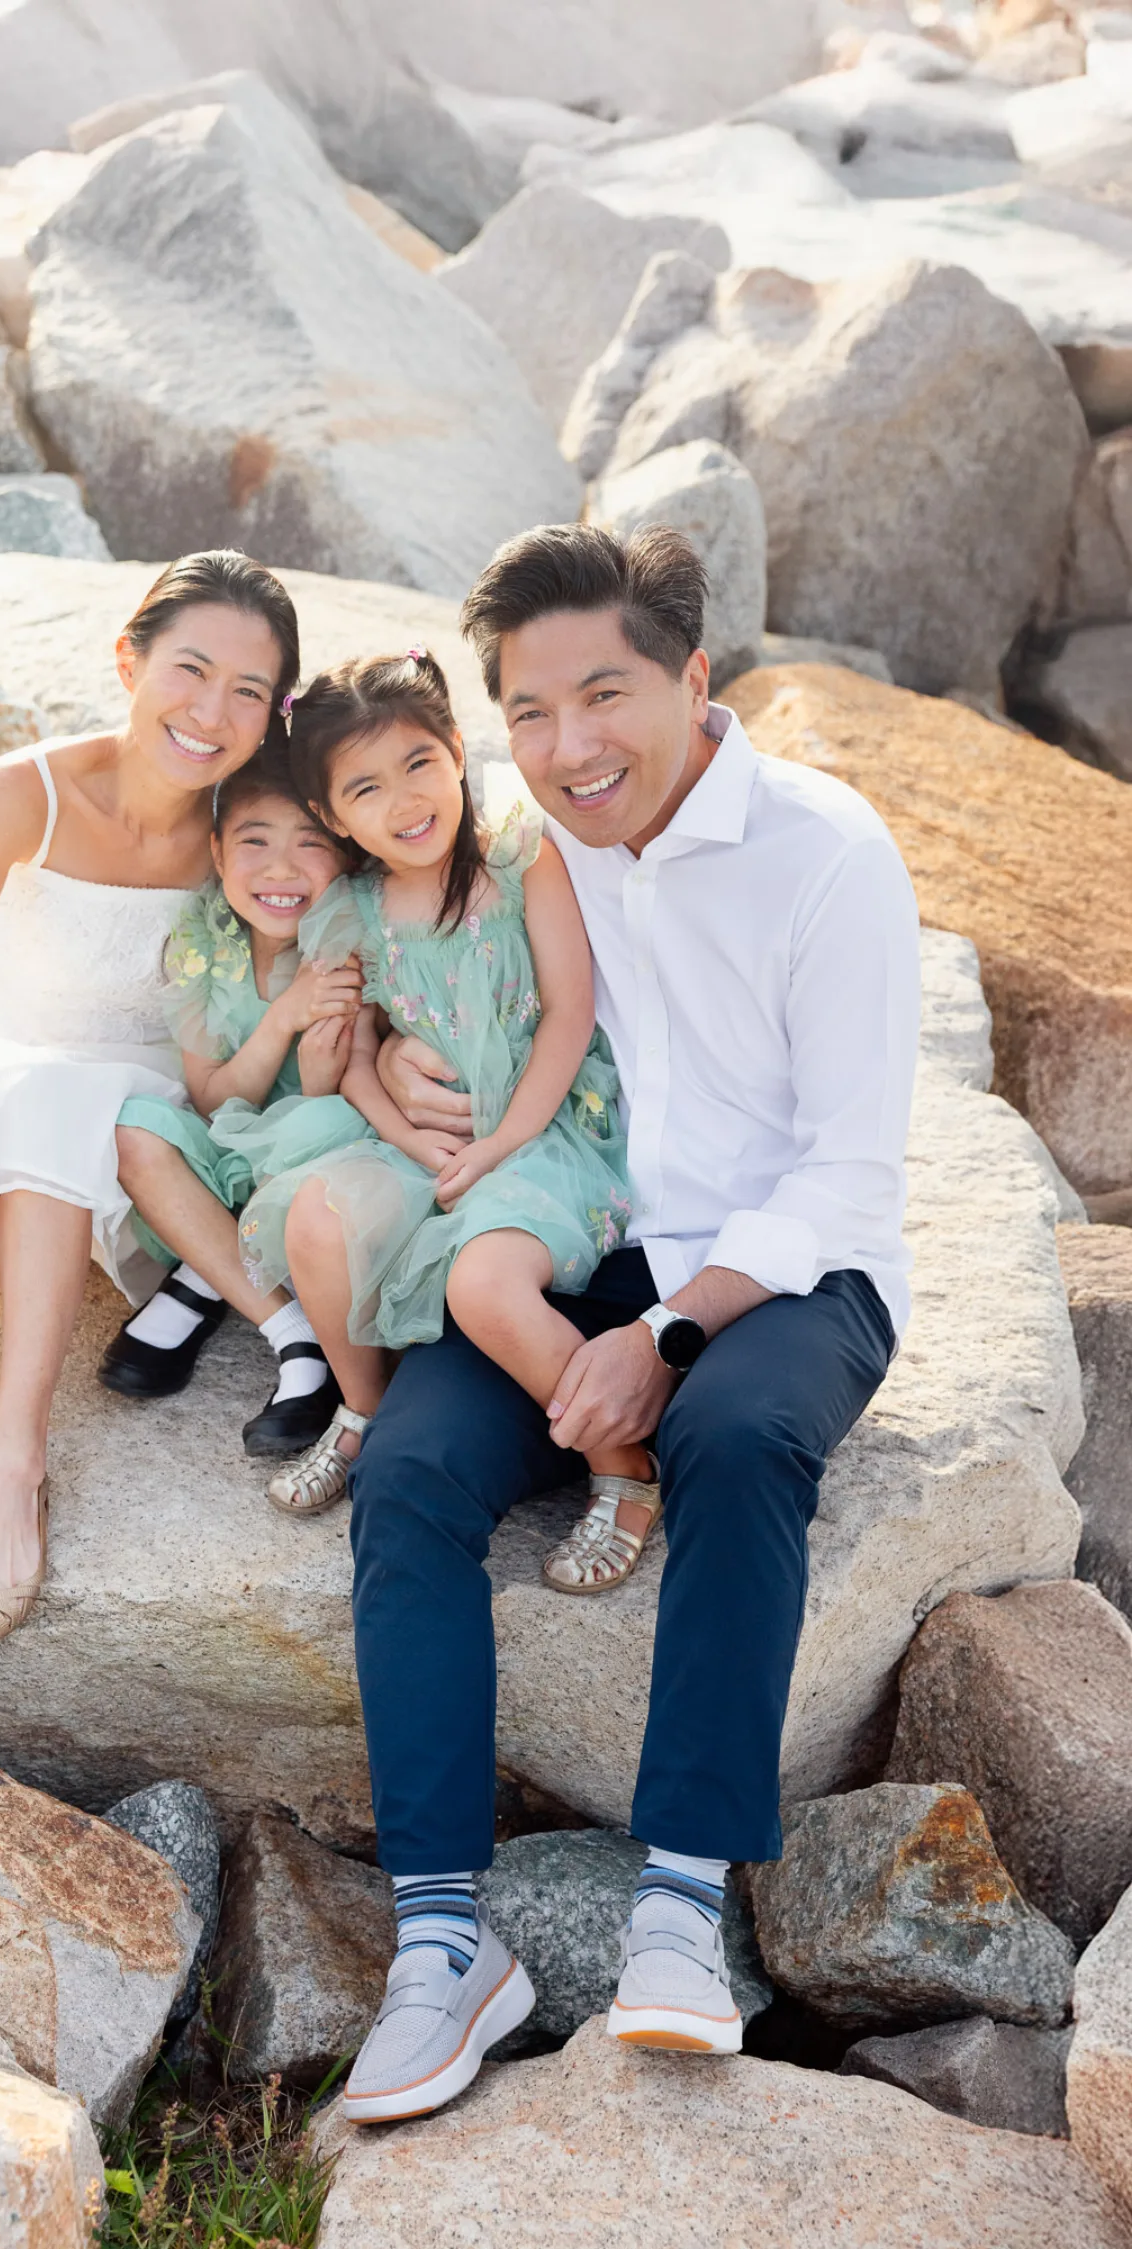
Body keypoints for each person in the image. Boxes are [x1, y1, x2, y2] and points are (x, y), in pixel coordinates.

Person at [338, 525, 919, 2124]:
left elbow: (850, 1171)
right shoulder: (539, 844)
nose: (569, 745)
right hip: (599, 1237)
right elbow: (390, 964)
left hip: (792, 1268)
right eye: (529, 712)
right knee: (411, 1471)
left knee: (733, 1434)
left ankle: (679, 1900)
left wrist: (665, 1336)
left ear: (694, 678)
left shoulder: (827, 852)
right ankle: (441, 1942)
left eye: (605, 694)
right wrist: (383, 1069)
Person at [0, 550, 299, 1651]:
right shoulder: (21, 793)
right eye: (190, 669)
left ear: (274, 713)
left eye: (248, 691)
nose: (210, 713)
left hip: (133, 1122)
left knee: (51, 1102)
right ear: (128, 660)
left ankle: (13, 1459)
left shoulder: (248, 829)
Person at [233, 649, 651, 1545]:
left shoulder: (520, 859)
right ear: (330, 813)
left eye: (419, 762)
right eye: (366, 788)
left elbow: (570, 1012)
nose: (405, 800)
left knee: (484, 1285)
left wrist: (500, 1144)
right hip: (425, 1139)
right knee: (316, 1220)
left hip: (542, 1131)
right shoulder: (353, 912)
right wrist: (413, 1141)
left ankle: (623, 1463)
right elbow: (352, 1059)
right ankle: (362, 1407)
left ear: (458, 749)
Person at [102, 745, 364, 1456]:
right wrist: (283, 1017)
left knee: (323, 1125)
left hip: (318, 1162)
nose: (281, 870)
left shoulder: (347, 939)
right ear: (217, 852)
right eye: (255, 842)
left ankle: (204, 1276)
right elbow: (214, 1100)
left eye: (311, 843)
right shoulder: (201, 938)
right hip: (232, 1149)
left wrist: (316, 1039)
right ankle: (291, 1331)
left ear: (346, 854)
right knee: (134, 1127)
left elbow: (336, 1098)